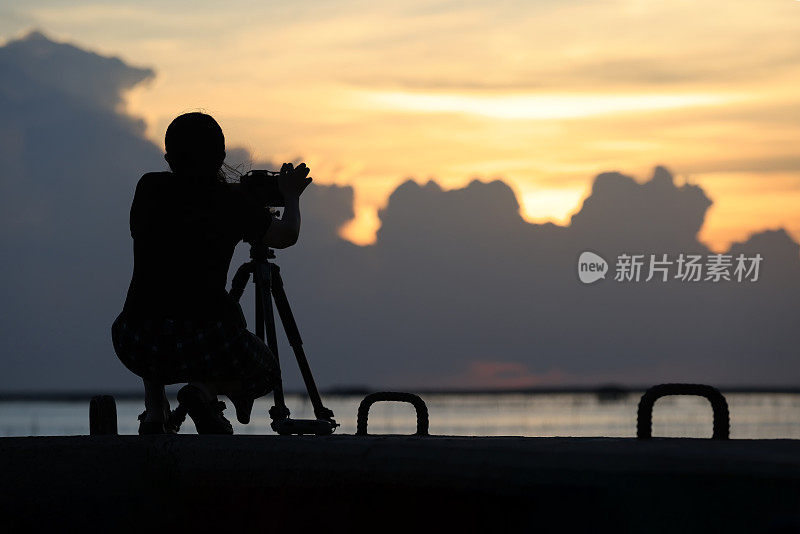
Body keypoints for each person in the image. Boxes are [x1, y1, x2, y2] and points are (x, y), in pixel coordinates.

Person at [111, 112, 312, 435]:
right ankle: (203, 392)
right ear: (220, 157)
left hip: (135, 339)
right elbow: (286, 235)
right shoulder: (231, 203)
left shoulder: (149, 188)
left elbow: (190, 196)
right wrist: (290, 196)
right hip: (204, 339)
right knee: (266, 371)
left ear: (168, 157)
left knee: (154, 304)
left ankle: (155, 412)